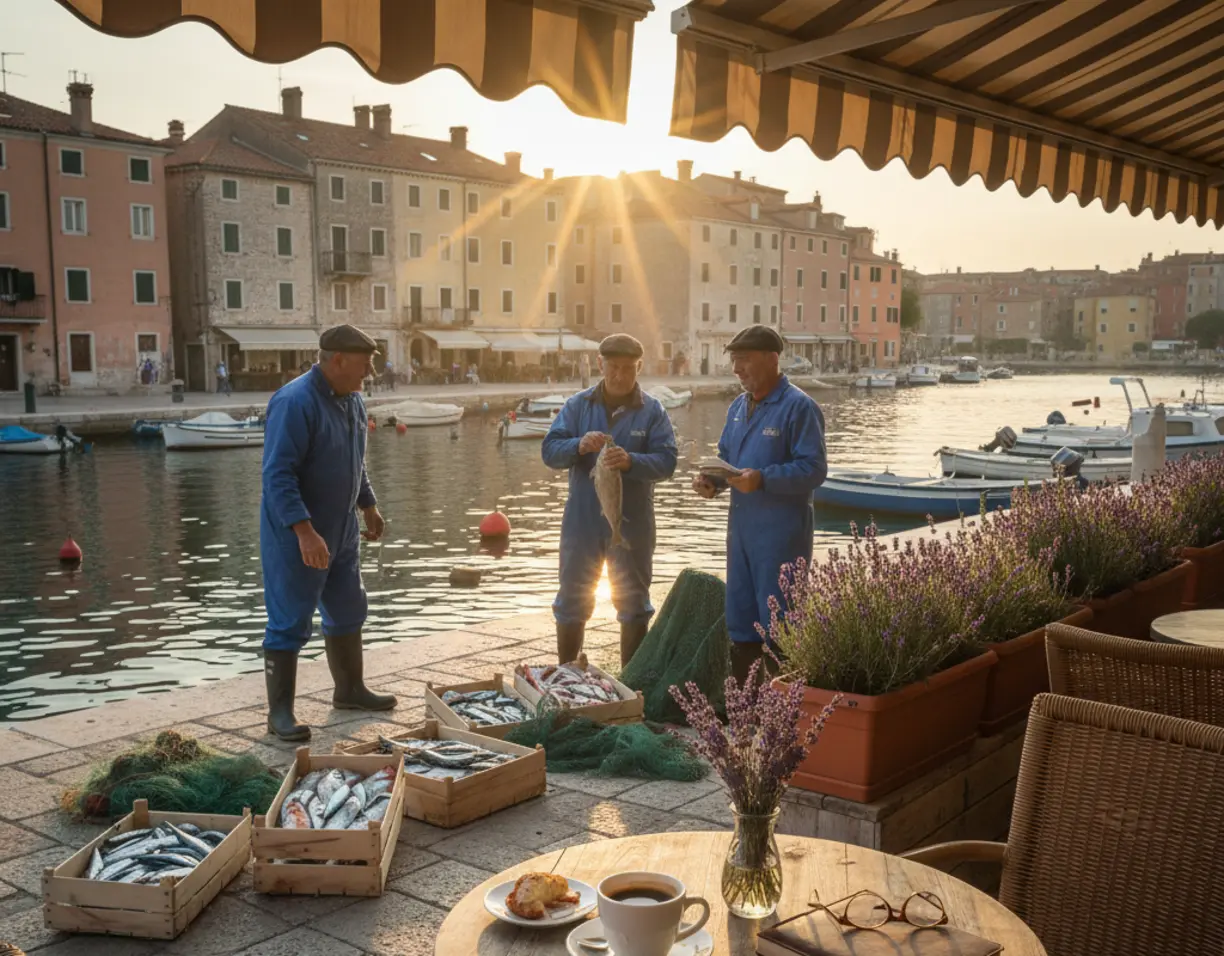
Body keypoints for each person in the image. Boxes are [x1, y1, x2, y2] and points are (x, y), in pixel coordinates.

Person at [259, 324, 396, 740]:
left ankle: (350, 690)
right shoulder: (294, 402)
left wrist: (368, 504)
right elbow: (278, 475)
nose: (369, 373)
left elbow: (355, 461)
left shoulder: (352, 400)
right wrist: (304, 531)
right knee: (289, 618)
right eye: (364, 364)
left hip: (342, 529)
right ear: (337, 360)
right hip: (296, 533)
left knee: (349, 606)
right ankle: (279, 713)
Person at [692, 326, 828, 683]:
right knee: (742, 622)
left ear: (772, 359)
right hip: (740, 536)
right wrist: (712, 482)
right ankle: (747, 715)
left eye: (745, 359)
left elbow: (814, 469)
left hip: (781, 538)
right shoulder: (738, 406)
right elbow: (727, 459)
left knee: (781, 626)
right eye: (734, 360)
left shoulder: (799, 407)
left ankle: (784, 717)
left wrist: (763, 479)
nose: (737, 368)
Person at [543, 334, 678, 667]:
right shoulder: (577, 406)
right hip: (582, 522)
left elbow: (667, 461)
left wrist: (632, 462)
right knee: (573, 597)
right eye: (613, 367)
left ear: (639, 368)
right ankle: (567, 674)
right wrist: (578, 445)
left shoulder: (653, 411)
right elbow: (550, 451)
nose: (620, 375)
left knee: (633, 601)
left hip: (631, 523)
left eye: (628, 369)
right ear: (600, 365)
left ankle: (630, 681)